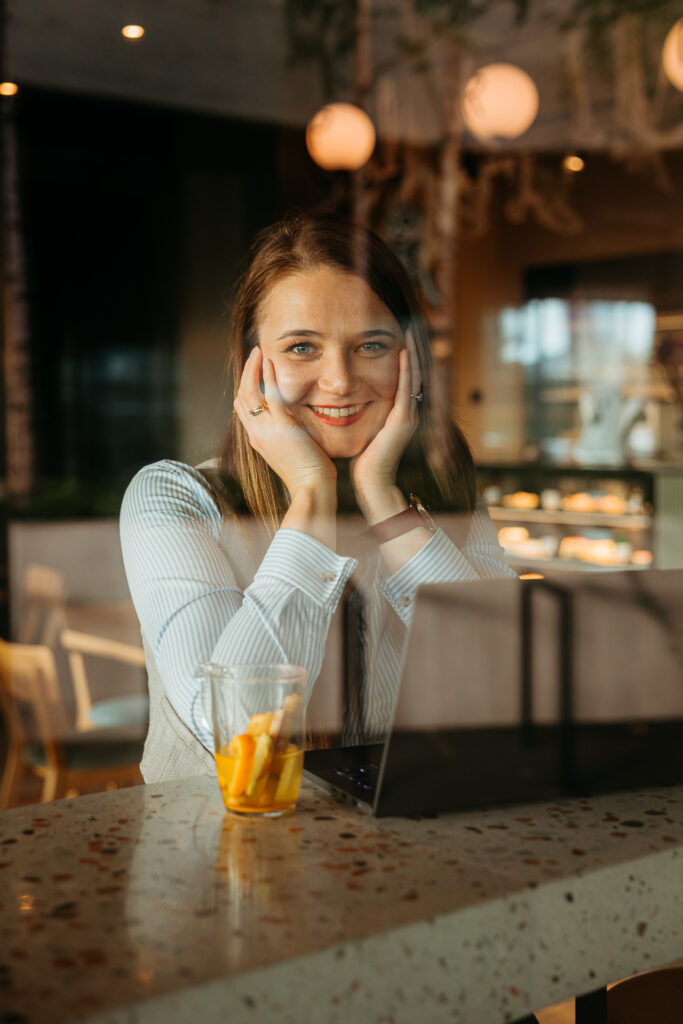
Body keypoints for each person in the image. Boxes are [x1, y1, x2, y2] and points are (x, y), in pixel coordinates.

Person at [120, 210, 516, 783]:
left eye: (371, 344)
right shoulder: (176, 498)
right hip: (218, 838)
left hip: (404, 835)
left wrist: (384, 500)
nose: (340, 381)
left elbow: (507, 687)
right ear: (253, 366)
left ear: (411, 358)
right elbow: (235, 731)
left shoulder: (447, 495)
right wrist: (310, 493)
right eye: (302, 347)